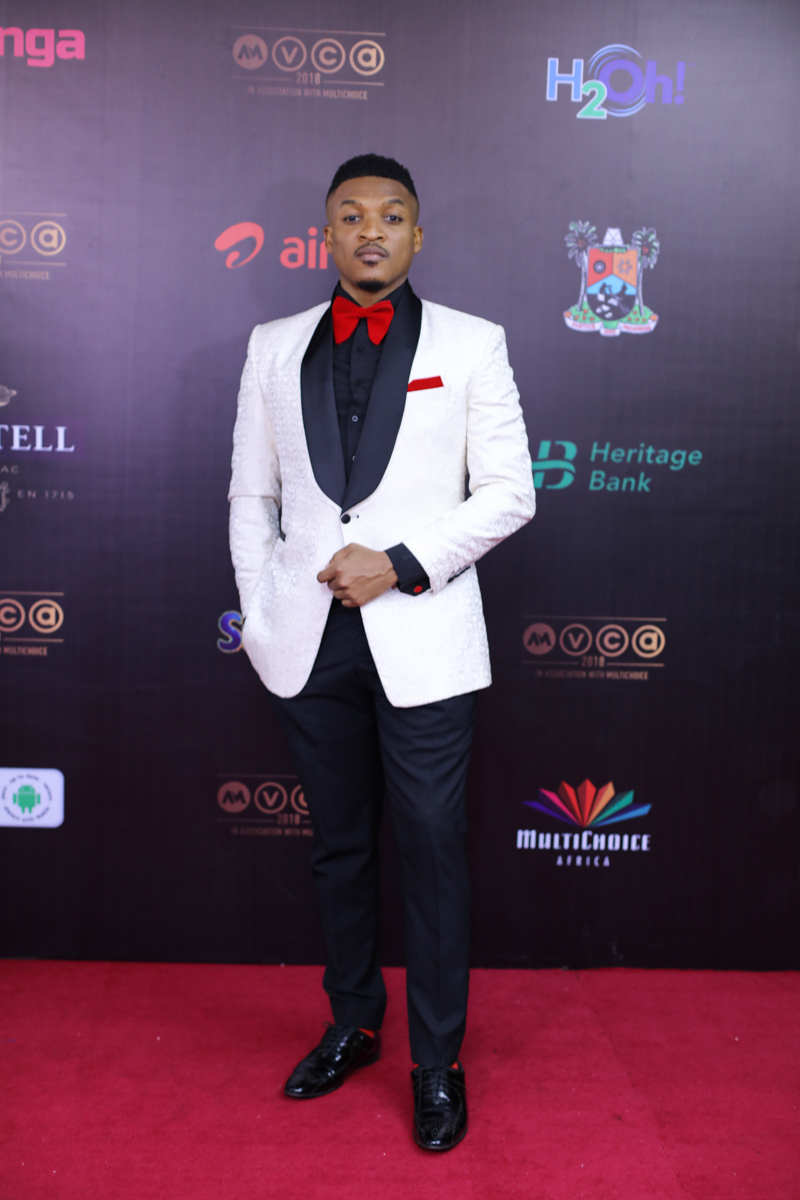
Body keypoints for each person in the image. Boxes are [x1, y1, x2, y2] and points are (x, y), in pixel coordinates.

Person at [228, 153, 534, 1151]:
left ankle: (436, 1061)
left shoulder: (473, 343)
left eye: (391, 216)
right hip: (308, 644)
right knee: (340, 847)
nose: (371, 230)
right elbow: (252, 496)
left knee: (433, 851)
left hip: (424, 637)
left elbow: (509, 494)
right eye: (352, 215)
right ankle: (354, 1022)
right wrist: (263, 613)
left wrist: (399, 564)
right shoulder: (273, 346)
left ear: (416, 235)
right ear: (326, 234)